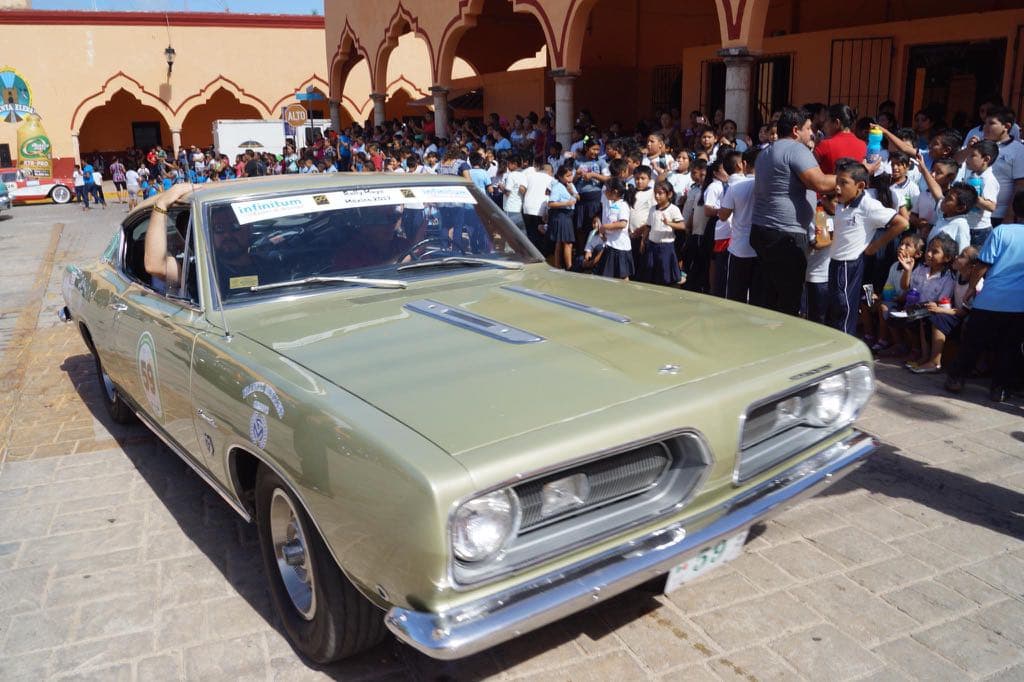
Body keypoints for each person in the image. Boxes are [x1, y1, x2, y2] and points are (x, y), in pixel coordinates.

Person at [750, 106, 836, 316]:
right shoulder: (796, 149)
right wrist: (856, 175)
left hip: (764, 231)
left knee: (770, 297)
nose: (812, 133)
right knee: (788, 301)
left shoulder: (765, 152)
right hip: (784, 236)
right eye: (808, 128)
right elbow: (820, 183)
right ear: (796, 130)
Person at [945, 191, 1024, 402]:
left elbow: (982, 264)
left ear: (1015, 209)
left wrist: (972, 288)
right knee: (1009, 348)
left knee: (972, 343)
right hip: (1019, 305)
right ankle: (1000, 389)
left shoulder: (1002, 231)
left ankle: (956, 378)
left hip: (990, 300)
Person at [824, 160, 908, 335]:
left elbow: (902, 223)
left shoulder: (868, 205)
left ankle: (848, 342)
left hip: (849, 264)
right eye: (837, 181)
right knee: (836, 306)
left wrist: (874, 247)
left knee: (845, 307)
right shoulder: (842, 203)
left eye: (844, 183)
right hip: (836, 262)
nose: (838, 187)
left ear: (861, 186)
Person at [909, 245, 982, 374]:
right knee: (924, 314)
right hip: (956, 314)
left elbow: (964, 312)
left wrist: (940, 310)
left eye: (962, 256)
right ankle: (925, 356)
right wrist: (936, 305)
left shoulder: (976, 285)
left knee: (938, 318)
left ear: (972, 266)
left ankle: (935, 362)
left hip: (968, 320)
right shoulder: (959, 275)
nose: (957, 257)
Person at [719, 147, 759, 303]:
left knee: (735, 297)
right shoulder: (767, 186)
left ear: (745, 164)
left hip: (739, 249)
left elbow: (723, 216)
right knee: (757, 297)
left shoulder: (735, 187)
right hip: (760, 248)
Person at [959, 139, 1000, 247]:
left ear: (986, 159)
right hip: (967, 224)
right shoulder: (972, 175)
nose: (967, 159)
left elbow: (991, 206)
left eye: (972, 156)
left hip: (979, 230)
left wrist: (972, 196)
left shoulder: (988, 179)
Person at [644, 180, 684, 286]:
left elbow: (682, 225)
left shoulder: (673, 209)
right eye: (655, 193)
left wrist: (669, 223)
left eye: (660, 193)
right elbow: (648, 226)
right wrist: (643, 241)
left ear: (669, 194)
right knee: (650, 270)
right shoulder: (653, 209)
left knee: (665, 273)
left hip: (666, 246)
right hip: (652, 244)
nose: (657, 196)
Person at [813, 104, 867, 175]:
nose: (824, 125)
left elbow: (808, 169)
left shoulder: (825, 145)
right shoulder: (863, 145)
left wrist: (815, 146)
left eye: (826, 120)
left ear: (837, 123)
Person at [595, 178, 632, 279]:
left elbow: (623, 224)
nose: (605, 192)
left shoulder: (623, 205)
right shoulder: (613, 205)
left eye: (607, 189)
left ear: (615, 192)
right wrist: (604, 233)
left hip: (620, 247)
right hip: (610, 245)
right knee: (607, 275)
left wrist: (604, 227)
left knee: (622, 276)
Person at [546, 165, 577, 270]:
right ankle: (568, 266)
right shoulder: (557, 187)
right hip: (561, 215)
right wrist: (566, 203)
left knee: (560, 242)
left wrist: (572, 192)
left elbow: (578, 197)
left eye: (571, 175)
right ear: (560, 176)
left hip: (568, 215)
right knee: (567, 242)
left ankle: (558, 265)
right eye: (567, 176)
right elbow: (551, 203)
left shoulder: (571, 185)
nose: (570, 178)